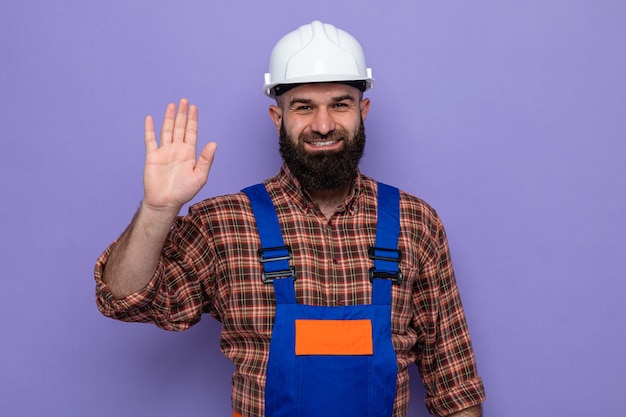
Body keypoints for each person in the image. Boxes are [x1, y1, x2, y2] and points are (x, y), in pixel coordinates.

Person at [95, 20, 485, 417]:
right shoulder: (226, 223)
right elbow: (124, 300)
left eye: (340, 103)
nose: (323, 124)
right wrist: (158, 210)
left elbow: (455, 387)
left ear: (363, 110)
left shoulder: (415, 223)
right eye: (303, 107)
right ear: (277, 117)